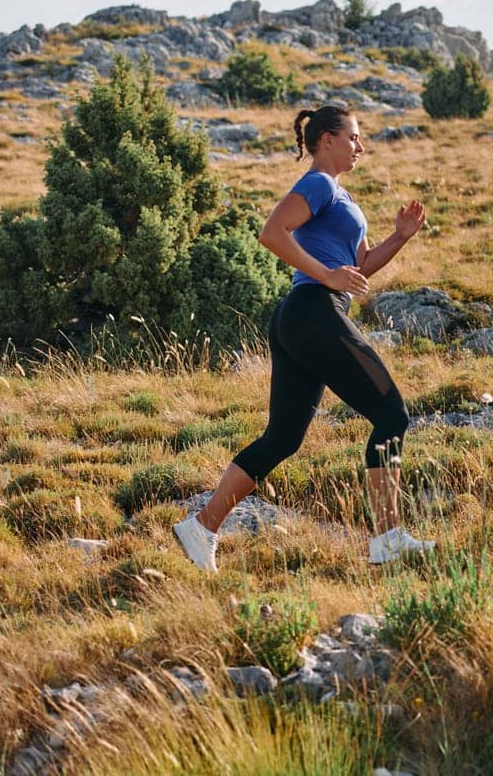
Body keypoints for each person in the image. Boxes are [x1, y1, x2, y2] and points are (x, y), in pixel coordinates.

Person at [174, 105, 434, 572]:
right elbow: (272, 232)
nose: (361, 145)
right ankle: (389, 537)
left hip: (302, 316)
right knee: (392, 414)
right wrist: (326, 276)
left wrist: (401, 238)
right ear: (327, 140)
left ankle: (201, 527)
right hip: (313, 310)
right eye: (354, 137)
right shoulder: (318, 184)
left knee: (283, 438)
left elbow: (360, 268)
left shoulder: (343, 197)